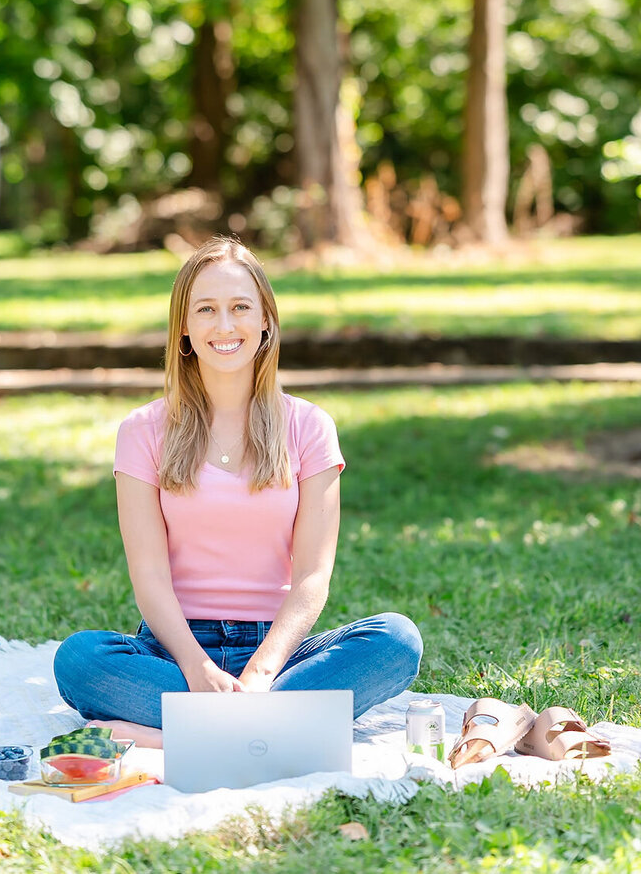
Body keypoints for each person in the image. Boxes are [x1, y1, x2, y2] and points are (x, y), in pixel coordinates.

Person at [54, 237, 422, 748]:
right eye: (205, 309)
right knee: (78, 661)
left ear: (266, 320)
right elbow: (149, 575)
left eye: (240, 307)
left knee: (397, 640)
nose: (224, 326)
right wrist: (197, 667)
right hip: (175, 651)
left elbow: (313, 576)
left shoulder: (309, 426)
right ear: (184, 327)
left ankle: (180, 735)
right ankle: (271, 729)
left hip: (277, 651)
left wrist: (261, 674)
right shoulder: (142, 431)